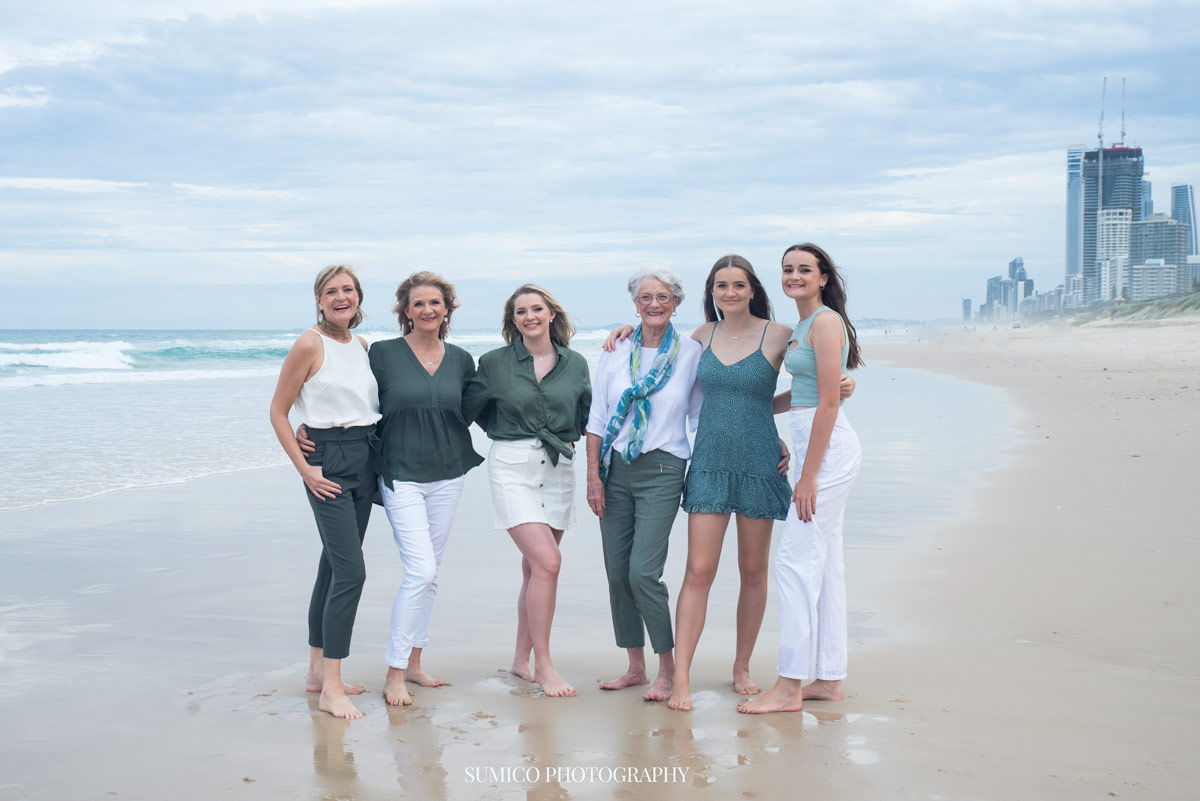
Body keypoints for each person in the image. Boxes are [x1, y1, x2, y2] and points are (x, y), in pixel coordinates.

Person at [301, 272, 483, 707]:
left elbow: (482, 405)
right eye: (417, 303)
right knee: (419, 571)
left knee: (430, 576)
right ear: (405, 311)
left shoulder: (461, 360)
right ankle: (395, 673)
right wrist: (307, 425)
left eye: (435, 303)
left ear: (447, 309)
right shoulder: (379, 353)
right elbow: (336, 390)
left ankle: (414, 663)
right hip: (398, 475)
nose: (427, 310)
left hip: (448, 475)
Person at [738, 243, 862, 714]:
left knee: (793, 561)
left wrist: (807, 478)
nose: (794, 276)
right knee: (826, 564)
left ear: (823, 277)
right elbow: (810, 391)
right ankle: (828, 679)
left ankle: (789, 685)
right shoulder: (804, 327)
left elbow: (831, 401)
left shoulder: (826, 321)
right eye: (788, 270)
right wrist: (762, 407)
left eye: (804, 270)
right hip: (815, 439)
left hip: (827, 450)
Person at [462, 285, 591, 698]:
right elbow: (469, 409)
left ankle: (520, 660)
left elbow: (588, 414)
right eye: (521, 311)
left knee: (535, 569)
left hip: (559, 468)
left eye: (537, 308)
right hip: (512, 467)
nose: (529, 316)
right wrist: (509, 434)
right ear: (512, 320)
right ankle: (545, 666)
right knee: (549, 563)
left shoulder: (576, 363)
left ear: (552, 313)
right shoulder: (495, 363)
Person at [269, 264, 381, 720]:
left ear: (358, 298)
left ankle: (317, 672)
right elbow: (278, 412)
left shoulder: (362, 345)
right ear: (318, 300)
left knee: (333, 566)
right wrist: (306, 470)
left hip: (365, 456)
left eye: (348, 290)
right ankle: (332, 688)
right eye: (331, 291)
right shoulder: (308, 343)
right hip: (326, 463)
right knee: (352, 573)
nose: (340, 297)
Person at [585, 268, 702, 702]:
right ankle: (635, 666)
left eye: (664, 296)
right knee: (618, 573)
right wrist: (593, 478)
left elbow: (701, 413)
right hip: (614, 470)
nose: (655, 304)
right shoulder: (616, 350)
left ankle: (667, 669)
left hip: (663, 470)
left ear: (676, 302)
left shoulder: (691, 352)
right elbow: (597, 419)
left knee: (643, 573)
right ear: (635, 304)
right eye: (646, 297)